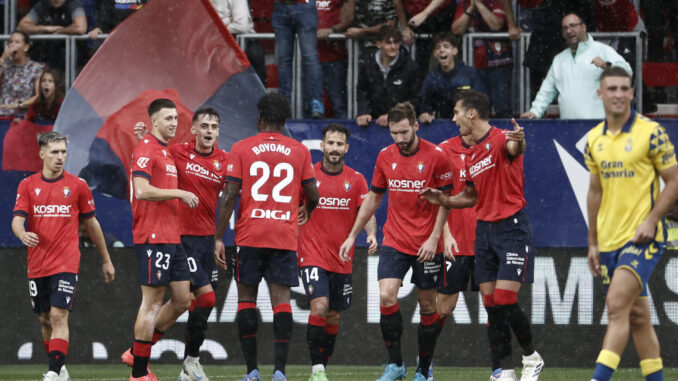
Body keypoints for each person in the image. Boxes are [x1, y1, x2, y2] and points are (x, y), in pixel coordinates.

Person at [419, 90, 543, 381]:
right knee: (490, 304)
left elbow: (516, 149)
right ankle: (505, 372)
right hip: (484, 232)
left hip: (511, 228)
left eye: (456, 113)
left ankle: (531, 357)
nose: (454, 119)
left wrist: (520, 139)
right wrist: (443, 200)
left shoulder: (502, 139)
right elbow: (471, 196)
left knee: (504, 298)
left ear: (471, 113)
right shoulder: (473, 153)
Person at [339, 101, 452, 381]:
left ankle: (424, 370)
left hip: (427, 243)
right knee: (387, 295)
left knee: (427, 306)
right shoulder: (384, 156)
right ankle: (396, 364)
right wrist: (353, 234)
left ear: (415, 126)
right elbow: (373, 197)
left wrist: (436, 237)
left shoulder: (437, 156)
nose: (399, 139)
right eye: (394, 133)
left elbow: (445, 202)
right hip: (395, 240)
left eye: (404, 132)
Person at [214, 92, 319, 381]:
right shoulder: (299, 150)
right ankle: (280, 372)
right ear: (284, 121)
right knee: (281, 303)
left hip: (250, 236)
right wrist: (306, 209)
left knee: (246, 299)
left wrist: (218, 237)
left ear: (259, 118)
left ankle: (251, 372)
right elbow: (314, 194)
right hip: (283, 236)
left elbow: (229, 196)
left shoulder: (242, 148)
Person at [585, 67, 678, 381]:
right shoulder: (594, 140)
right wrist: (593, 242)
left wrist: (652, 219)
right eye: (611, 88)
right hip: (609, 240)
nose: (618, 94)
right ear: (600, 93)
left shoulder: (651, 132)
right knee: (637, 317)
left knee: (615, 305)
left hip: (643, 237)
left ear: (632, 93)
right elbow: (594, 192)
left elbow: (674, 180)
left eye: (624, 88)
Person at [124, 107, 229, 381]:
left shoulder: (225, 161)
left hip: (202, 241)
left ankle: (137, 354)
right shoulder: (175, 152)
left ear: (218, 131)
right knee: (201, 297)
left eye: (213, 126)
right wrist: (145, 138)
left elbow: (235, 192)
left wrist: (218, 237)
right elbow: (146, 171)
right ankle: (184, 364)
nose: (208, 131)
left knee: (184, 301)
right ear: (193, 130)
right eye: (203, 125)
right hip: (178, 236)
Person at [11, 131, 115, 381]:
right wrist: (22, 234)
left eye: (63, 152)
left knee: (58, 315)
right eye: (55, 152)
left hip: (66, 262)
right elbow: (16, 221)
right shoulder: (27, 185)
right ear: (42, 153)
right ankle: (59, 367)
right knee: (45, 319)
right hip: (37, 264)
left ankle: (53, 372)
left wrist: (106, 259)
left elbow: (92, 224)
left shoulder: (78, 186)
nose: (60, 157)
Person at [298, 123, 378, 381]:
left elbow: (366, 211)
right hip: (311, 254)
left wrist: (372, 234)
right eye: (330, 143)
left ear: (347, 148)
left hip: (342, 259)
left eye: (339, 144)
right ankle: (317, 369)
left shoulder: (355, 179)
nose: (334, 149)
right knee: (319, 306)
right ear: (321, 146)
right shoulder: (307, 176)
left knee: (333, 315)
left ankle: (323, 365)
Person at [128, 98, 199, 381]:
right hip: (153, 236)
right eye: (168, 118)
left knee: (183, 300)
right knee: (152, 303)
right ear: (154, 121)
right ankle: (138, 372)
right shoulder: (146, 148)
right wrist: (180, 194)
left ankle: (136, 352)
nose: (174, 123)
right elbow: (142, 190)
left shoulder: (162, 151)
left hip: (172, 237)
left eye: (176, 119)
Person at [428, 123, 479, 380]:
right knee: (444, 308)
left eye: (459, 113)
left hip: (486, 242)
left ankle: (500, 369)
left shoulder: (493, 148)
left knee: (498, 305)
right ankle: (425, 360)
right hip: (455, 242)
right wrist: (445, 234)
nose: (455, 118)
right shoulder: (445, 150)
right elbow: (438, 195)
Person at [521, 12, 632, 120]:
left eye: (573, 26)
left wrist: (607, 66)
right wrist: (534, 112)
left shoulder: (602, 50)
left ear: (583, 27)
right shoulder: (559, 59)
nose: (569, 31)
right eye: (565, 28)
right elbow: (547, 90)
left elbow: (628, 73)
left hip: (598, 128)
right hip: (569, 129)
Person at [452, 0, 513, 118]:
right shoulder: (464, 3)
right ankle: (483, 136)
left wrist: (478, 4)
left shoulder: (496, 2)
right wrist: (471, 7)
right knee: (478, 109)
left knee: (502, 107)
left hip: (499, 63)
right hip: (475, 65)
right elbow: (456, 30)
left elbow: (496, 25)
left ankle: (505, 136)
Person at [356, 26, 420, 127]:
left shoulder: (411, 67)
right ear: (378, 44)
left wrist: (393, 115)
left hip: (402, 124)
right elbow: (362, 92)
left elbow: (414, 99)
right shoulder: (367, 65)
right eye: (388, 43)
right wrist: (363, 112)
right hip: (373, 123)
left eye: (396, 42)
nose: (393, 46)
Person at [271, 0, 325, 118]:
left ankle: (316, 102)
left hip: (303, 6)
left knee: (309, 58)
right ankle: (284, 104)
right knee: (285, 60)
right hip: (283, 6)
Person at [418, 31, 486, 124]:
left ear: (455, 50)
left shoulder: (470, 73)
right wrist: (424, 113)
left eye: (446, 46)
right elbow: (424, 101)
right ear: (434, 53)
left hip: (468, 125)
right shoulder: (431, 77)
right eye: (438, 47)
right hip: (441, 126)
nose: (442, 50)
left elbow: (481, 101)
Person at [392, 0, 455, 82]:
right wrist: (404, 27)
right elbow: (397, 2)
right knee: (419, 67)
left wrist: (424, 14)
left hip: (443, 15)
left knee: (446, 58)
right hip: (415, 19)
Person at [209, 0, 268, 86]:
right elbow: (205, 26)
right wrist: (229, 19)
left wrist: (217, 27)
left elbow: (241, 26)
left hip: (245, 44)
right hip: (215, 46)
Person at [18, 0, 87, 70]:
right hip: (45, 61)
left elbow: (80, 28)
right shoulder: (42, 5)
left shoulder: (73, 3)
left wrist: (60, 31)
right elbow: (21, 26)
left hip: (70, 64)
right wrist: (46, 28)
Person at [316, 0, 355, 119]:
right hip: (309, 58)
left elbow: (349, 18)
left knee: (338, 103)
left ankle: (343, 134)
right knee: (310, 105)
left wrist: (332, 30)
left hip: (334, 56)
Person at [0, 30, 44, 118]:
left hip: (22, 117)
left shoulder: (35, 67)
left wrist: (19, 105)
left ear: (26, 47)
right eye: (11, 42)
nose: (12, 45)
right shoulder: (4, 64)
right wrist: (2, 58)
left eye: (17, 42)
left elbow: (38, 96)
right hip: (2, 114)